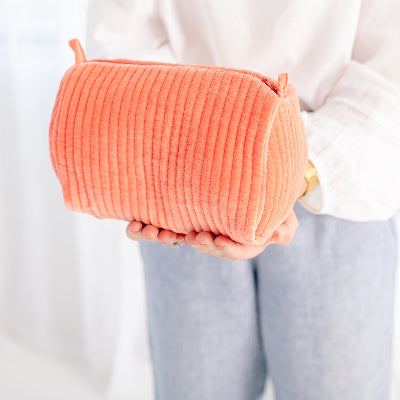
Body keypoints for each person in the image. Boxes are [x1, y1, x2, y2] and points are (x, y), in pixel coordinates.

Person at [87, 0, 400, 398]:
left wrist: (287, 170)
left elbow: (391, 63)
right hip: (183, 179)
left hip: (337, 184)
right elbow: (122, 28)